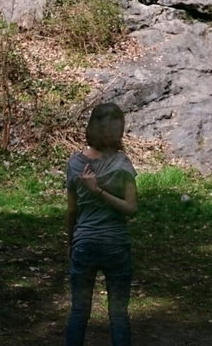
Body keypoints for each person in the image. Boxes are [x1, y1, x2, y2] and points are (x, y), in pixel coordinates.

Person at [66, 103, 138, 346]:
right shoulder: (122, 164)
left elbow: (72, 211)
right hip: (116, 245)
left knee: (78, 312)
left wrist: (70, 243)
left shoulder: (75, 164)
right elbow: (131, 209)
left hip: (84, 243)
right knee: (118, 316)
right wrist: (102, 193)